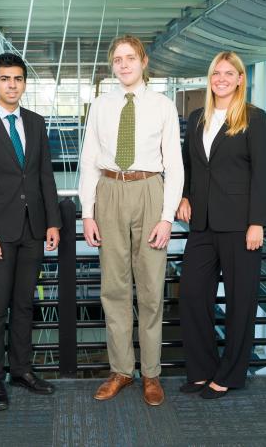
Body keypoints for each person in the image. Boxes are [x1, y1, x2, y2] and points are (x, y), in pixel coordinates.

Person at [78, 35, 183, 406]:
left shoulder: (163, 105)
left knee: (152, 289)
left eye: (130, 58)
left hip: (149, 190)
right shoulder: (101, 106)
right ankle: (122, 370)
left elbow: (174, 164)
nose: (123, 65)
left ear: (143, 61)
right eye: (117, 59)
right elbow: (89, 160)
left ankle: (151, 374)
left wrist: (167, 218)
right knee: (114, 289)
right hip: (109, 190)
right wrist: (88, 212)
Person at [0, 53, 61, 411]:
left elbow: (44, 175)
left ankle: (21, 370)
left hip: (33, 229)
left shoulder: (35, 122)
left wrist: (52, 222)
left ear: (23, 84)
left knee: (24, 305)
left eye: (18, 79)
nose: (12, 85)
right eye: (5, 79)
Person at [176, 51, 266, 399]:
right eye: (217, 72)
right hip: (201, 223)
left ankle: (229, 374)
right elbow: (189, 163)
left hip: (239, 224)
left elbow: (262, 174)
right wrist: (184, 196)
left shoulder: (253, 118)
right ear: (209, 77)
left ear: (240, 79)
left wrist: (256, 222)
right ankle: (202, 370)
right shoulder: (198, 116)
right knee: (191, 294)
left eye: (230, 73)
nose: (222, 79)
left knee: (240, 301)